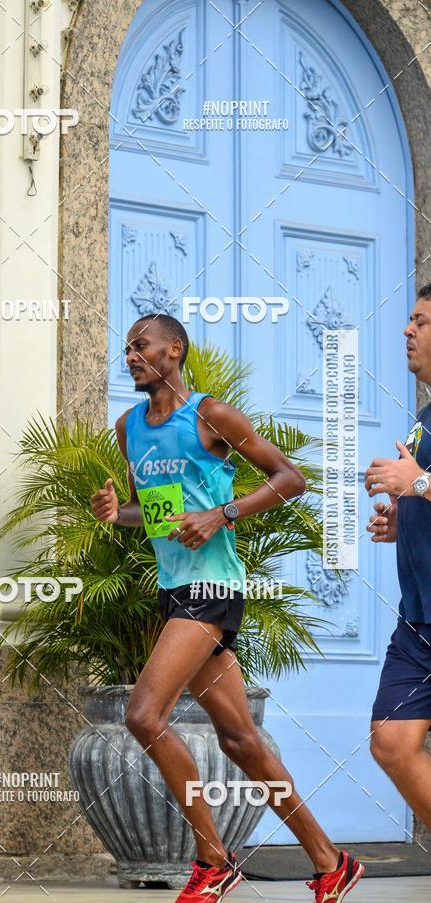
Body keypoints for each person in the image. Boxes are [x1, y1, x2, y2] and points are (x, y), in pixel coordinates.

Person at [91, 314, 363, 902]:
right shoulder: (128, 427)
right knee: (240, 740)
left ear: (174, 350)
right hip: (174, 590)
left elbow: (290, 478)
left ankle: (213, 859)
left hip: (213, 588)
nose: (131, 355)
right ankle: (329, 860)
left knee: (143, 715)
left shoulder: (211, 415)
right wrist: (119, 515)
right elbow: (156, 514)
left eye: (141, 346)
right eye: (127, 348)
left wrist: (223, 513)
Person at [365, 283, 431, 830]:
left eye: (421, 321)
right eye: (409, 319)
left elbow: (423, 482)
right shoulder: (426, 415)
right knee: (390, 742)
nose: (406, 331)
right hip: (419, 620)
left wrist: (420, 482)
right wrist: (402, 517)